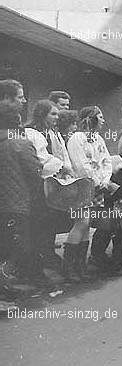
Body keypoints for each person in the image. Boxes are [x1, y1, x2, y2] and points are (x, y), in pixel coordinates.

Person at [24, 100, 73, 271]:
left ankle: (48, 252)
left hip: (54, 182)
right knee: (39, 222)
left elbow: (63, 153)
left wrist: (67, 168)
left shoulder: (54, 133)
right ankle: (38, 258)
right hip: (39, 183)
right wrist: (62, 166)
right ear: (42, 114)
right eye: (53, 114)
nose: (57, 117)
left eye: (57, 114)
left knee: (50, 220)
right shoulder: (32, 133)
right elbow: (41, 158)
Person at [66, 106, 113, 280]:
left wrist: (105, 180)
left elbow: (106, 160)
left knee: (86, 225)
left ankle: (80, 265)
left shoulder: (99, 139)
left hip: (98, 187)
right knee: (82, 222)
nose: (103, 120)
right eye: (100, 117)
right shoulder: (77, 138)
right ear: (90, 118)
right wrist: (94, 180)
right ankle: (69, 266)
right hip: (83, 186)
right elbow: (80, 164)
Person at [0, 101, 45, 284]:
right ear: (17, 123)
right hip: (17, 204)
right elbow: (35, 172)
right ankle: (10, 284)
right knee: (17, 245)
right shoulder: (21, 143)